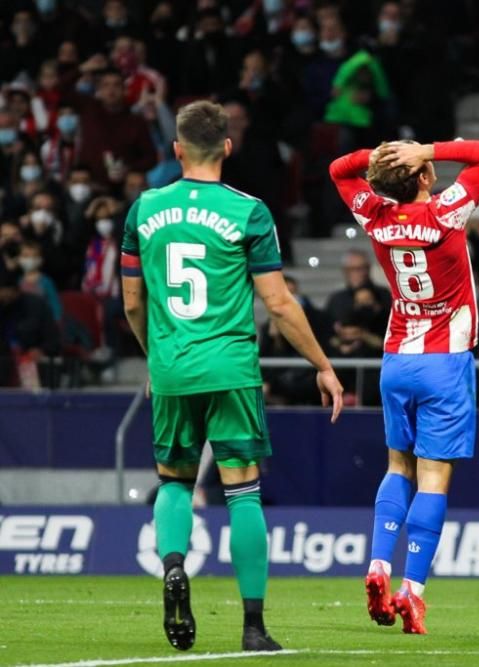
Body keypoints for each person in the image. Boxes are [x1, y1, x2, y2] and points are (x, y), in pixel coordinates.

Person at [121, 101, 344, 653]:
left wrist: (157, 356)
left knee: (174, 482)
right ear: (227, 146)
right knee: (243, 493)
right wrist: (323, 365)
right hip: (231, 369)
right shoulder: (249, 212)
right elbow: (279, 303)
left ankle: (173, 565)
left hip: (171, 368)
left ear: (176, 150)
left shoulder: (144, 208)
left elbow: (131, 303)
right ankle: (253, 627)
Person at [329, 137, 479, 634]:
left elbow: (340, 170)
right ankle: (412, 591)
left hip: (396, 359)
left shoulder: (375, 215)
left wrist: (377, 156)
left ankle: (379, 564)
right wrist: (426, 147)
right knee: (434, 476)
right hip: (444, 362)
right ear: (425, 176)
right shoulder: (446, 212)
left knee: (396, 466)